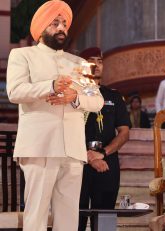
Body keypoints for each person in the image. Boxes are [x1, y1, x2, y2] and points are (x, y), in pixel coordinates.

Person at [6, 1, 104, 230]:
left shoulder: (78, 63)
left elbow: (97, 100)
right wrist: (50, 85)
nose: (62, 28)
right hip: (40, 146)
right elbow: (15, 91)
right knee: (36, 214)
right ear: (41, 28)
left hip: (72, 149)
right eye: (55, 23)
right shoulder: (23, 55)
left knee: (68, 217)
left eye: (64, 24)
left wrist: (75, 97)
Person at [77, 47, 131, 231]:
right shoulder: (73, 94)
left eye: (100, 61)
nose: (97, 65)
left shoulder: (114, 96)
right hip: (77, 162)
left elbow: (124, 133)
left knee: (105, 221)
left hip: (107, 163)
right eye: (91, 60)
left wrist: (101, 154)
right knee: (75, 217)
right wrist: (88, 156)